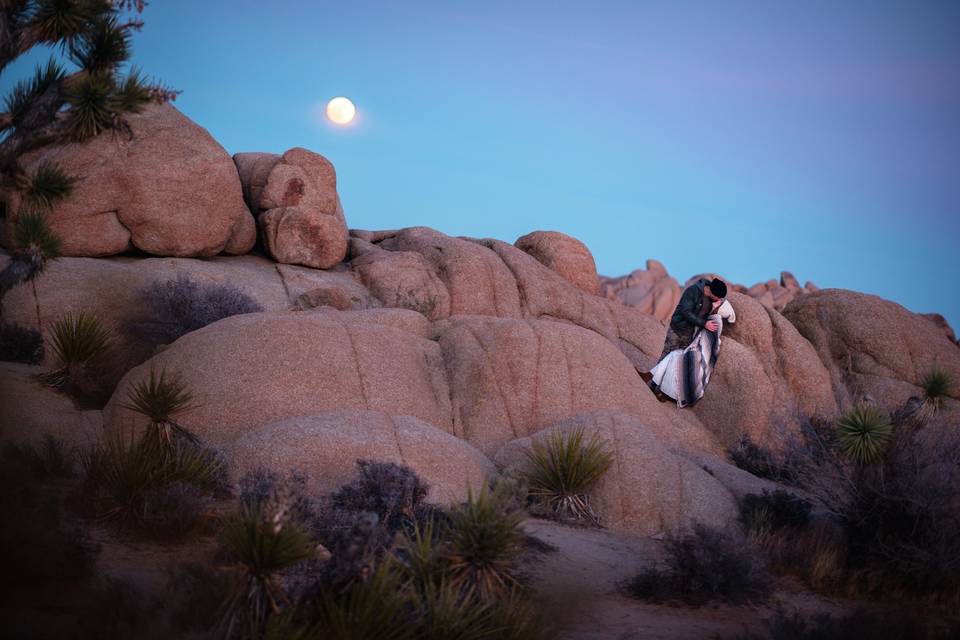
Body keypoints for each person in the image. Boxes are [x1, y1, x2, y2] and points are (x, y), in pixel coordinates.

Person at [641, 277, 734, 406]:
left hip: (690, 334)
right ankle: (652, 386)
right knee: (666, 356)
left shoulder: (712, 300)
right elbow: (685, 312)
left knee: (676, 362)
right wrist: (704, 323)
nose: (719, 300)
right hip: (678, 329)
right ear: (711, 292)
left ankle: (662, 388)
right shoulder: (693, 291)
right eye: (717, 297)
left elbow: (719, 311)